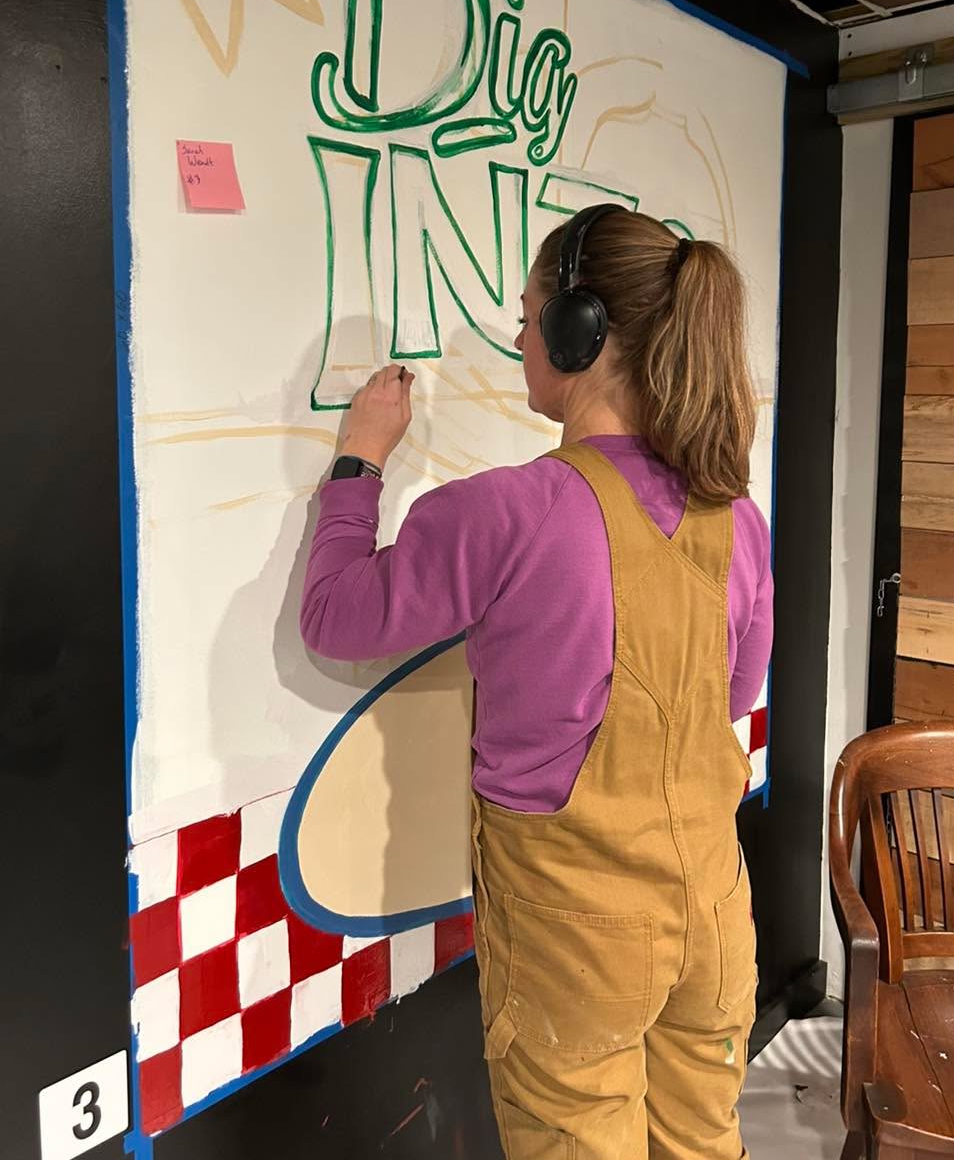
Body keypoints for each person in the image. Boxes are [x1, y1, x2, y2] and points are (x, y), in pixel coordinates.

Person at [300, 204, 774, 1160]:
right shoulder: (739, 519)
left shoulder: (506, 512)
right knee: (704, 1145)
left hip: (577, 940)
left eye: (526, 316)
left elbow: (335, 615)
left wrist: (361, 457)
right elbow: (731, 698)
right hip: (717, 915)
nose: (517, 337)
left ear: (579, 330)